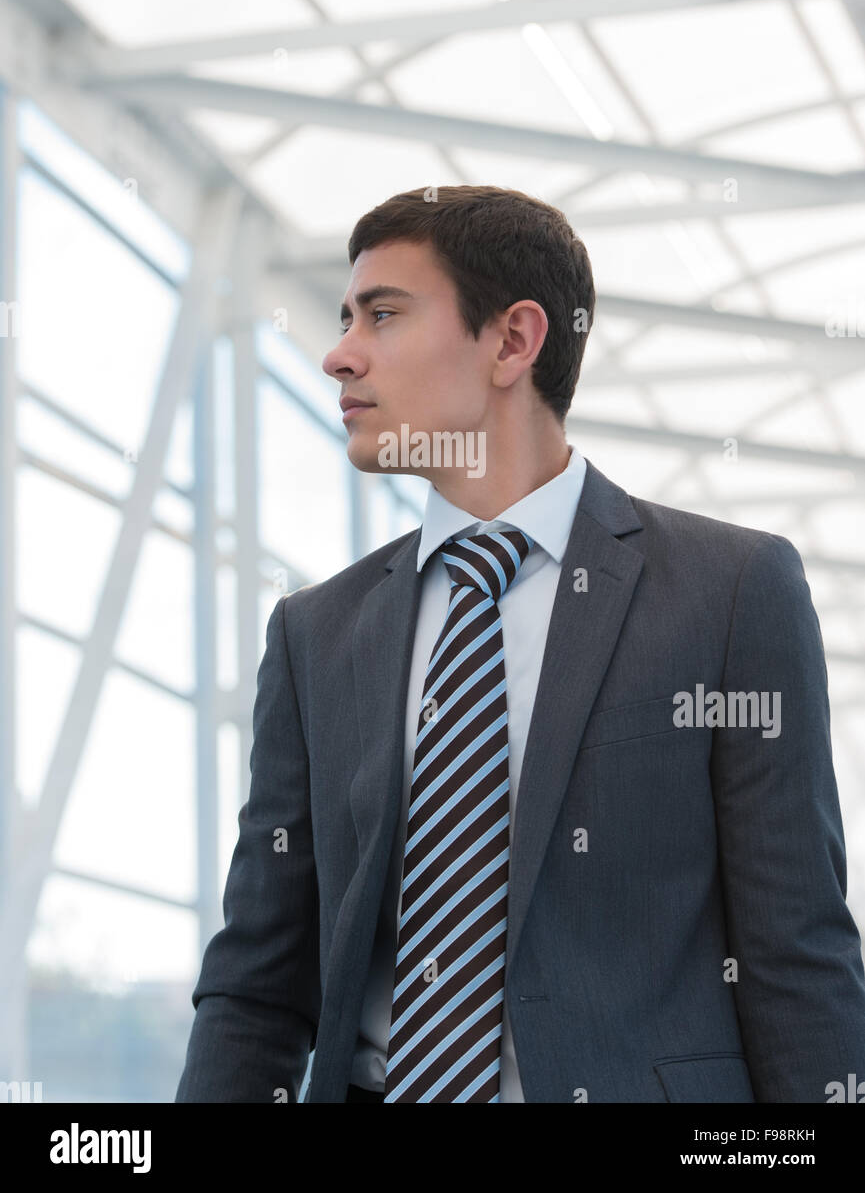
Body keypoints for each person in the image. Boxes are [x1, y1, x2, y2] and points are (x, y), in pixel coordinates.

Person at [175, 185, 865, 1103]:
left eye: (382, 315)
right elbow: (258, 989)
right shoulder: (315, 634)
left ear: (512, 341)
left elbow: (795, 958)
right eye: (345, 318)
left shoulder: (729, 594)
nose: (339, 356)